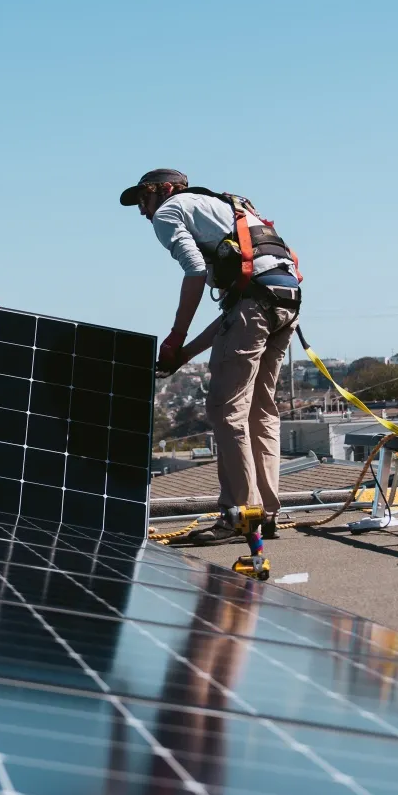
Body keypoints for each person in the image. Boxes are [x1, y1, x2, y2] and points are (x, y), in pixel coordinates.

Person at [121, 168, 301, 540]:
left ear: (165, 190)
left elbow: (195, 271)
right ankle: (265, 514)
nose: (142, 211)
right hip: (285, 301)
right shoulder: (224, 208)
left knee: (225, 408)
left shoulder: (171, 211)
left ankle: (238, 515)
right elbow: (232, 317)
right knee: (260, 410)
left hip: (256, 303)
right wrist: (183, 355)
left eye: (143, 199)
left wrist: (174, 337)